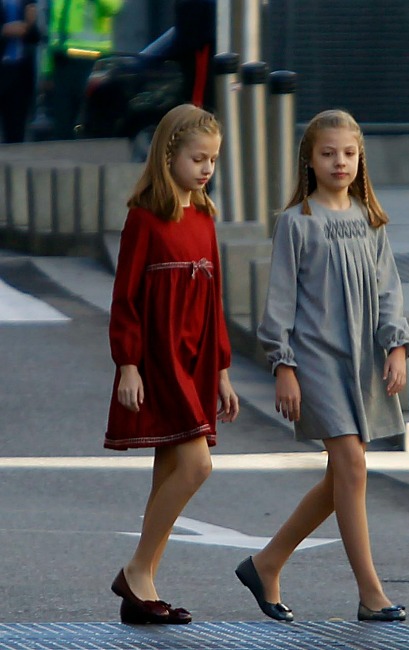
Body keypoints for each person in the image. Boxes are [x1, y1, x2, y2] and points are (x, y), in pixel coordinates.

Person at [235, 109, 409, 623]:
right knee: (352, 467)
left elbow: (388, 290)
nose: (340, 162)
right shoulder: (297, 222)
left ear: (361, 158)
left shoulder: (369, 219)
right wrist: (282, 365)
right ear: (309, 160)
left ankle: (265, 564)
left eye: (349, 153)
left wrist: (396, 346)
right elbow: (280, 302)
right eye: (328, 153)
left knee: (343, 476)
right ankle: (370, 593)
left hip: (362, 358)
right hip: (314, 359)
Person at [104, 103, 239, 624]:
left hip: (197, 357)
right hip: (159, 358)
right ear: (168, 155)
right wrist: (128, 363)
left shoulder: (204, 217)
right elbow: (126, 297)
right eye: (197, 157)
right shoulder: (144, 218)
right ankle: (137, 571)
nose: (206, 168)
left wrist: (223, 368)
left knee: (171, 467)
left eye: (212, 159)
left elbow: (214, 298)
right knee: (196, 464)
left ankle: (143, 584)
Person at [42, 0, 124, 139]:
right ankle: (63, 157)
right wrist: (47, 71)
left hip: (91, 59)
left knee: (91, 118)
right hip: (63, 61)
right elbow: (53, 33)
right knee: (62, 121)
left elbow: (114, 7)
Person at [0, 0, 40, 143]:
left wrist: (31, 25)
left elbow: (35, 38)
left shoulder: (26, 2)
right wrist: (3, 31)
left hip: (19, 73)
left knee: (16, 132)